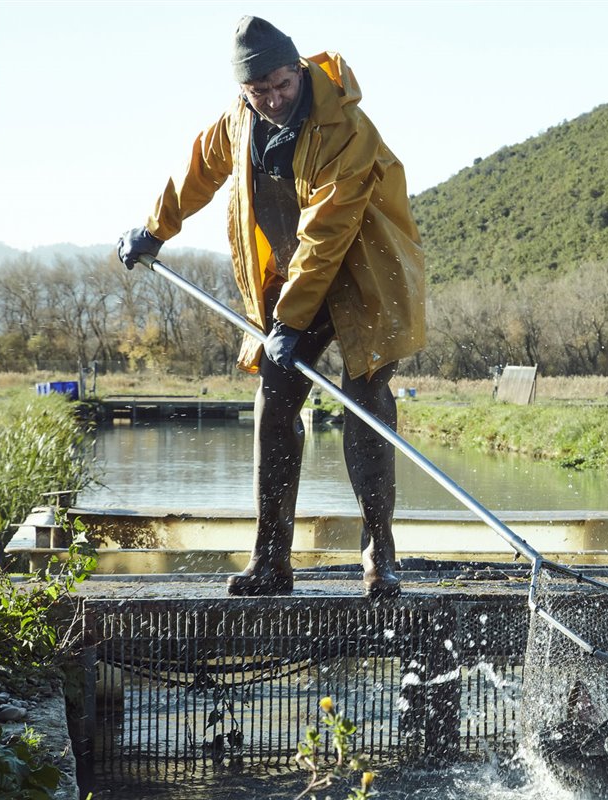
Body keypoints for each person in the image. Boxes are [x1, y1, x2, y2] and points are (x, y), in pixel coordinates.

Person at [118, 16, 426, 599]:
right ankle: (270, 559)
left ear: (298, 69)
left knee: (365, 401)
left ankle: (380, 555)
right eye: (259, 93)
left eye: (281, 86)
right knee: (274, 398)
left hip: (360, 277)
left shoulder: (346, 125)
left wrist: (289, 320)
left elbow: (329, 231)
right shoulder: (243, 119)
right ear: (243, 92)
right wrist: (154, 230)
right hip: (292, 279)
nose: (273, 100)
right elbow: (197, 170)